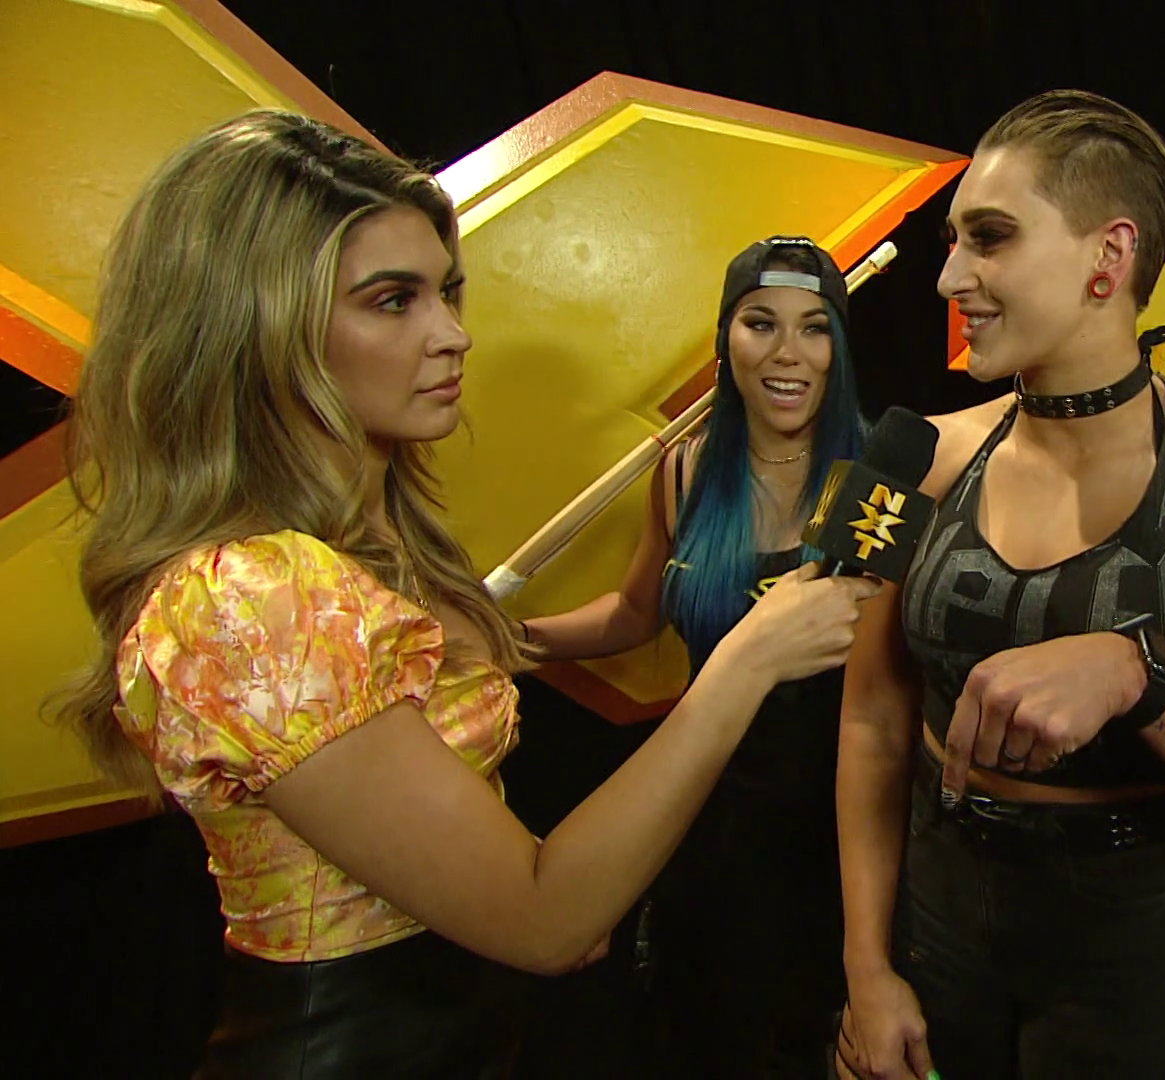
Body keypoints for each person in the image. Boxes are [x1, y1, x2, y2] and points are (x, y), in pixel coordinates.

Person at [57, 110, 879, 1078]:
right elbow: (544, 918)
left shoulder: (377, 550)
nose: (454, 335)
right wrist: (749, 658)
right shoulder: (253, 597)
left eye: (446, 292)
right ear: (258, 327)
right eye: (392, 301)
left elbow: (495, 879)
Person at [833, 89, 1165, 1080]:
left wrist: (1141, 676)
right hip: (937, 912)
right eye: (954, 242)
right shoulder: (916, 455)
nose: (950, 276)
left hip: (1133, 939)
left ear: (1109, 256)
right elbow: (872, 722)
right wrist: (867, 970)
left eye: (990, 237)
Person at [522, 234, 866, 1077]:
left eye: (814, 328)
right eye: (760, 323)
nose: (787, 353)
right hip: (708, 823)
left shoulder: (880, 483)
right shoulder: (683, 475)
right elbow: (636, 613)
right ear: (726, 339)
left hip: (838, 834)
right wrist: (514, 640)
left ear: (839, 348)